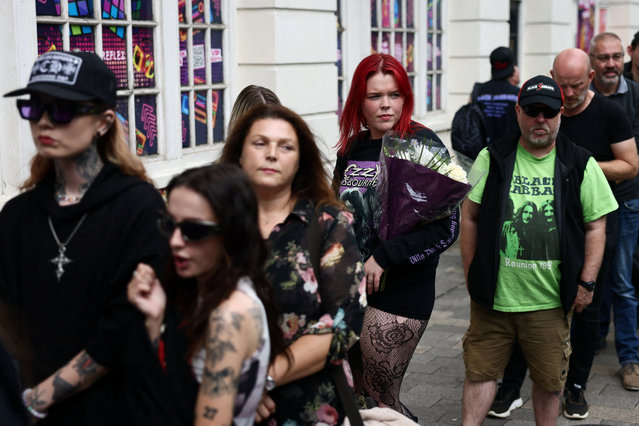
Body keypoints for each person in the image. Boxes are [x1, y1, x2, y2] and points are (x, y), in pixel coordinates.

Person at [0, 51, 168, 424]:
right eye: (34, 107)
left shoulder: (139, 207)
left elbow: (124, 327)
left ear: (104, 122)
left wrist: (38, 399)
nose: (44, 121)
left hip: (111, 410)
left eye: (62, 110)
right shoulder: (17, 215)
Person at [489, 47, 639, 419]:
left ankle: (576, 385)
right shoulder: (539, 106)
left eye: (574, 86)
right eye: (561, 84)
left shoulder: (609, 113)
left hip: (596, 216)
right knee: (532, 299)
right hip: (540, 218)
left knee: (586, 302)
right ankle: (511, 386)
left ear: (589, 80)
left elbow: (630, 165)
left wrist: (577, 167)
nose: (567, 94)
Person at [460, 75, 617, 426]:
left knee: (548, 382)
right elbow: (468, 215)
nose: (540, 120)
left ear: (561, 113)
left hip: (549, 301)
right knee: (480, 372)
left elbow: (596, 226)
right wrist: (471, 270)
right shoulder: (493, 157)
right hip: (493, 299)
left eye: (548, 111)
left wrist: (587, 283)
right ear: (518, 111)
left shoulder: (580, 164)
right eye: (532, 110)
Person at [219, 103, 365, 425]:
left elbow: (344, 321)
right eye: (260, 143)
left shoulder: (328, 223)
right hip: (218, 401)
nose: (272, 153)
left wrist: (256, 382)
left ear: (299, 161)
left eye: (285, 146)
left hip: (309, 406)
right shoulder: (212, 222)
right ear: (239, 154)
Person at [332, 53, 459, 421]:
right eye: (374, 96)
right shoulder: (351, 147)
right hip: (353, 288)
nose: (385, 104)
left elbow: (445, 227)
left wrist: (387, 256)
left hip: (402, 289)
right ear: (359, 99)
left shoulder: (421, 143)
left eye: (395, 94)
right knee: (352, 391)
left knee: (381, 398)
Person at [127, 164, 287, 425]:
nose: (176, 240)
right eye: (169, 225)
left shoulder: (230, 315)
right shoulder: (201, 291)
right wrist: (155, 320)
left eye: (194, 230)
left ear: (232, 233)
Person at [590, 32, 639, 392]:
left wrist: (588, 165)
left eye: (616, 56)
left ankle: (630, 359)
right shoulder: (581, 99)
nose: (611, 64)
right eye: (603, 57)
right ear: (592, 60)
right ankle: (593, 338)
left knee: (622, 280)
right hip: (587, 202)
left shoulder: (635, 97)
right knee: (593, 274)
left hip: (626, 198)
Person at [470, 46, 521, 144]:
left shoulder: (478, 90)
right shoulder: (517, 94)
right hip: (508, 152)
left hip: (481, 152)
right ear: (512, 69)